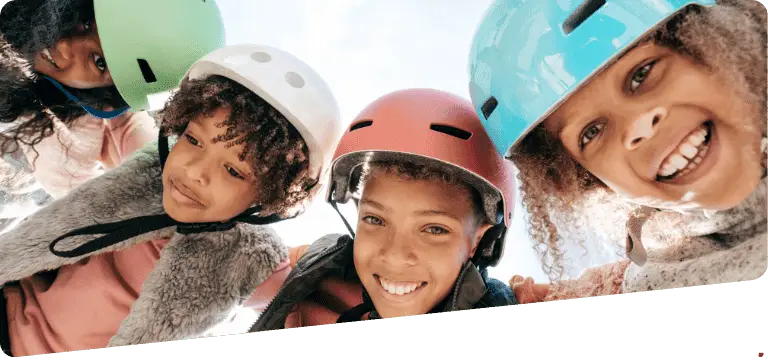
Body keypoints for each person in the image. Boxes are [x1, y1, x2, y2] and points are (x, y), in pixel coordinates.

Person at [0, 43, 347, 356]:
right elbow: (123, 119)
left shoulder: (251, 262)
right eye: (194, 140)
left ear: (269, 200)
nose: (196, 171)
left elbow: (308, 302)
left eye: (234, 171)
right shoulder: (149, 170)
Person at [468, 0, 768, 301]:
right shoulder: (650, 286)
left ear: (720, 42)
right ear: (590, 182)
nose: (639, 127)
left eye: (641, 75)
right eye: (592, 133)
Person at [247, 88, 518, 332]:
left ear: (478, 241)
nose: (396, 256)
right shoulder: (309, 278)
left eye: (434, 229)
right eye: (375, 220)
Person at [0, 0, 225, 232]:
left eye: (99, 62)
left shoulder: (85, 133)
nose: (65, 47)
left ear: (108, 93)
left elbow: (150, 170)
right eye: (84, 22)